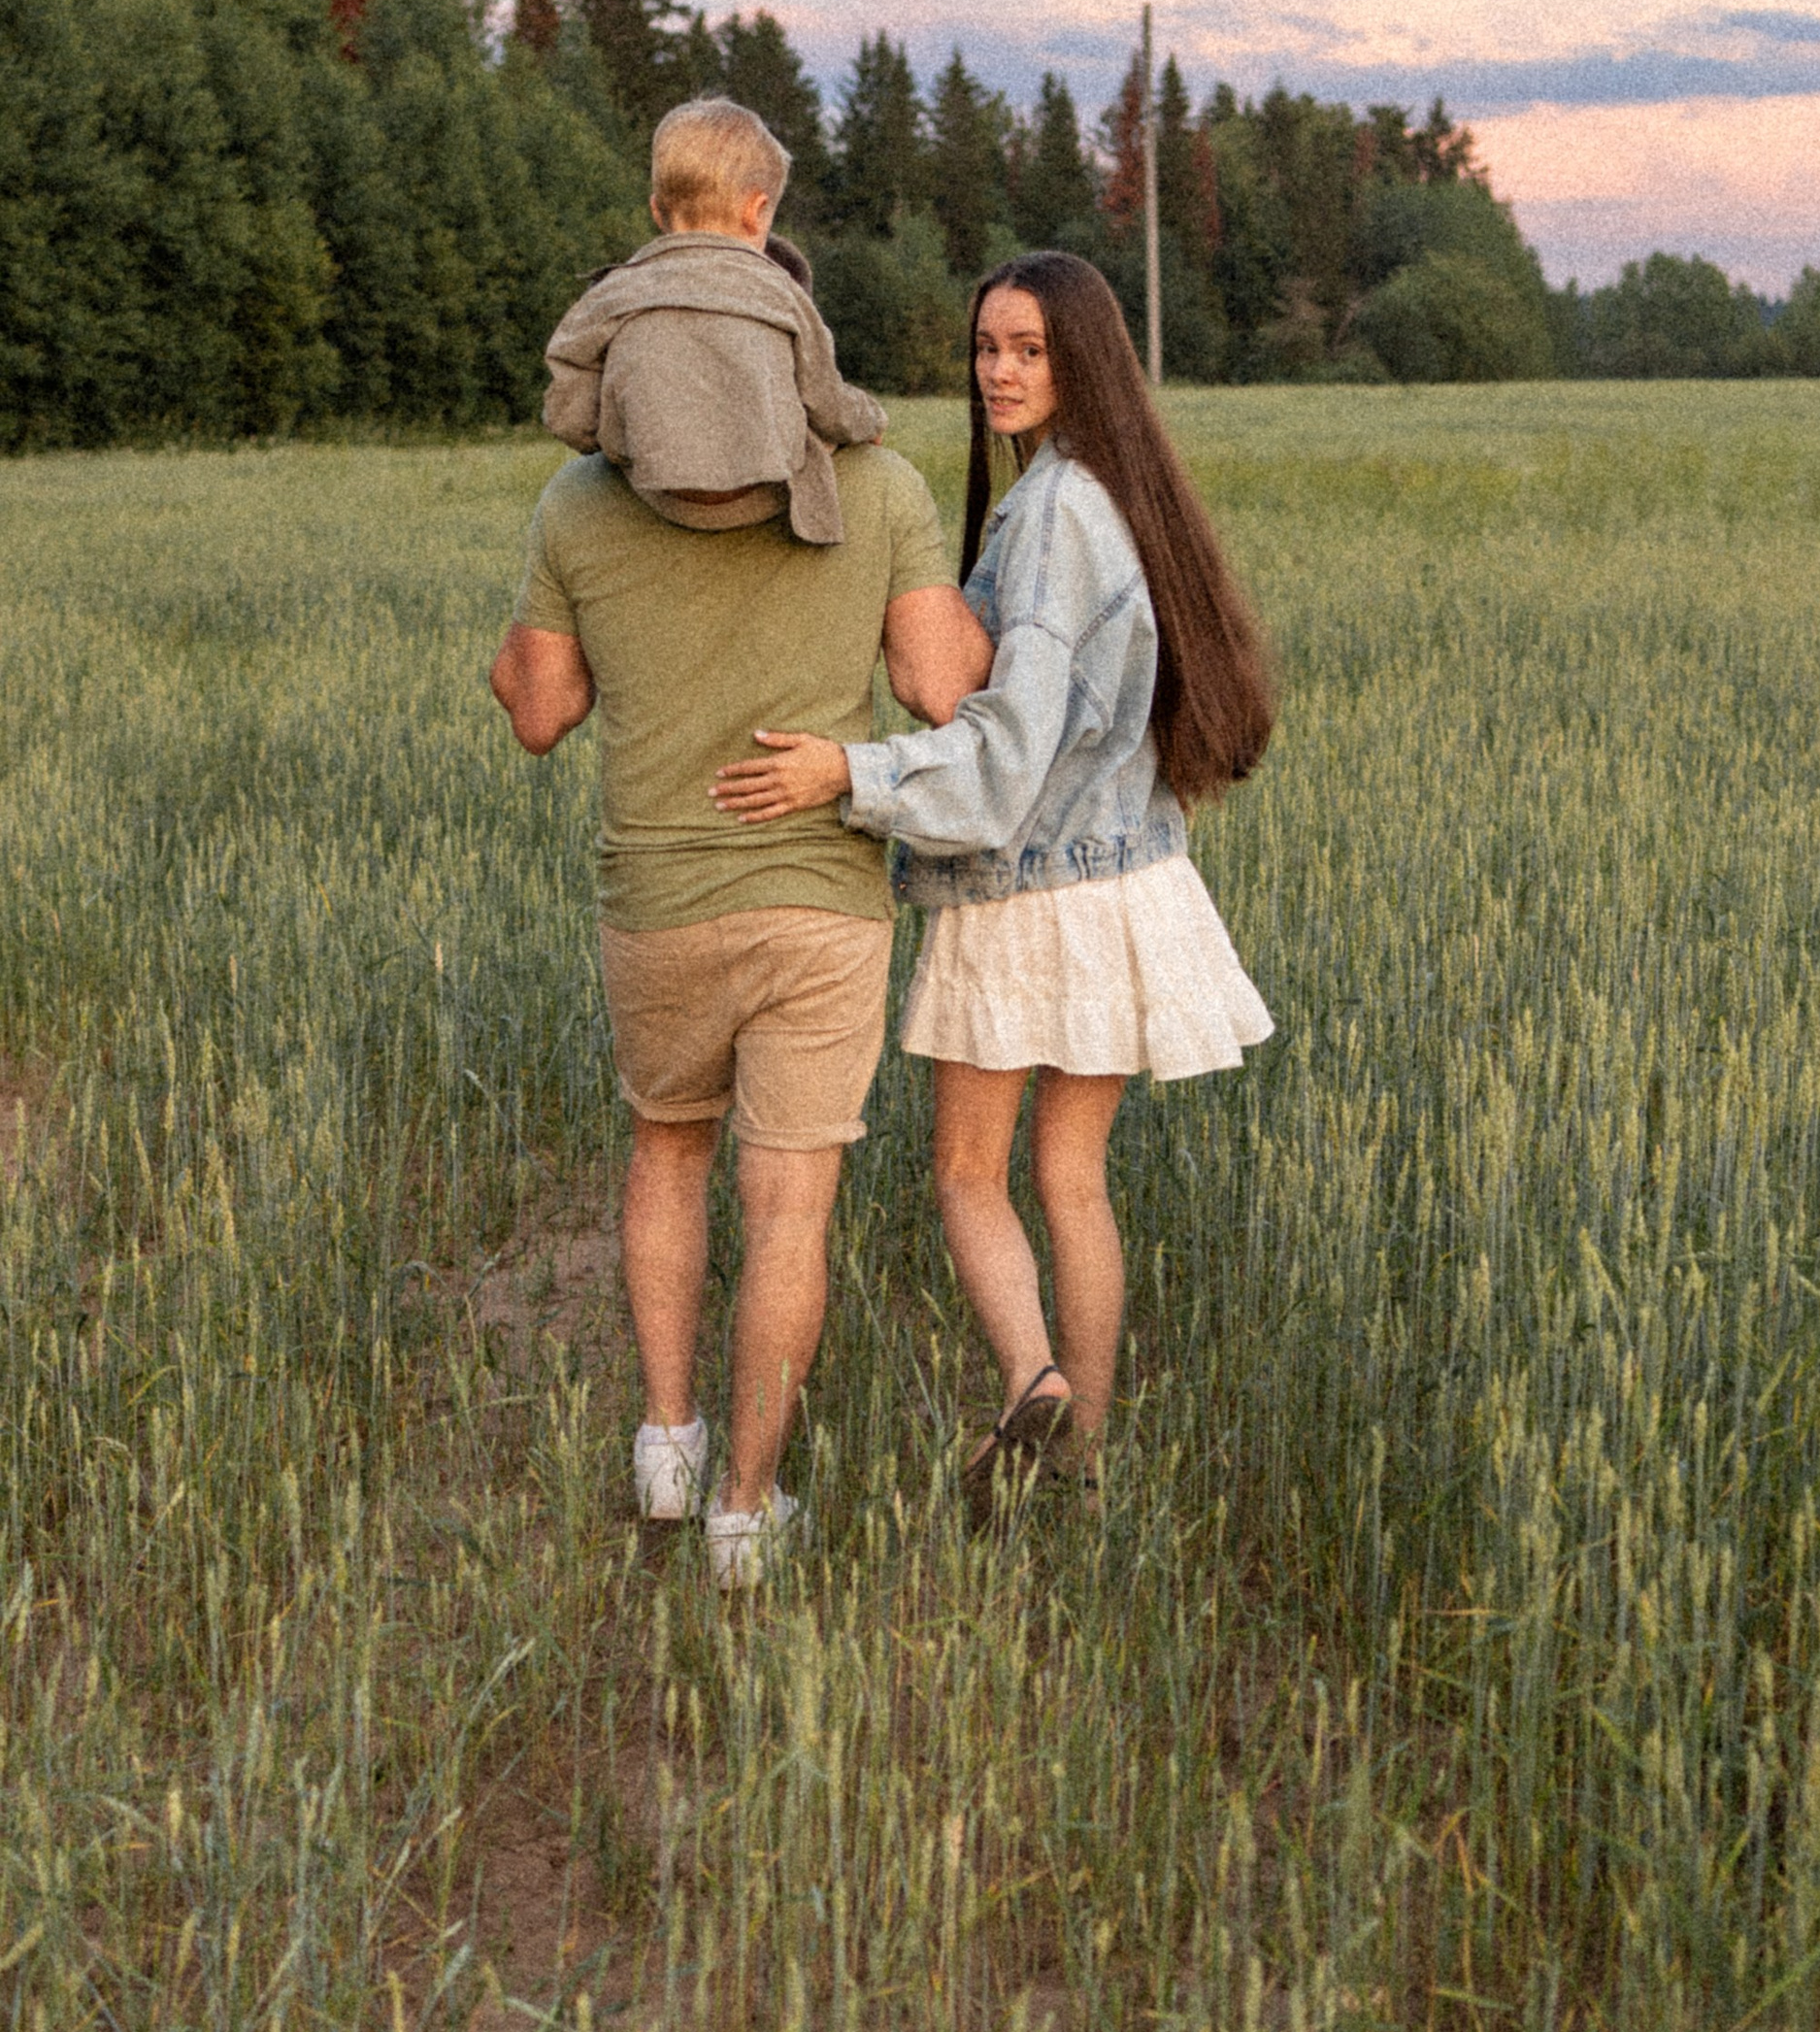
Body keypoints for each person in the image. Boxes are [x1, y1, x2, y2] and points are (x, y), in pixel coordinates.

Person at [490, 147, 992, 1588]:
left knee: (666, 1151)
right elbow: (941, 691)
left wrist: (519, 655)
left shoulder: (581, 501)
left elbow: (539, 715)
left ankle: (667, 1441)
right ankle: (746, 1515)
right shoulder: (879, 481)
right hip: (821, 902)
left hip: (656, 895)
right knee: (791, 1205)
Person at [709, 249, 1274, 1517]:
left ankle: (1034, 1379)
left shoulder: (1055, 516)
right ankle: (1086, 1452)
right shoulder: (1114, 498)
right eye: (987, 349)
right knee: (1073, 1176)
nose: (1002, 371)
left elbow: (1007, 757)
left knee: (971, 1171)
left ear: (1082, 364)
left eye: (1029, 349)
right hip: (1125, 886)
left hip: (1030, 897)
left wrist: (847, 774)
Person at [542, 95, 886, 544]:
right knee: (813, 424)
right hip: (763, 495)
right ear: (756, 209)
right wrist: (871, 420)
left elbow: (565, 412)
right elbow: (827, 402)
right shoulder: (780, 291)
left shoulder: (616, 292)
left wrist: (614, 436)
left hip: (654, 493)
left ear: (656, 210)